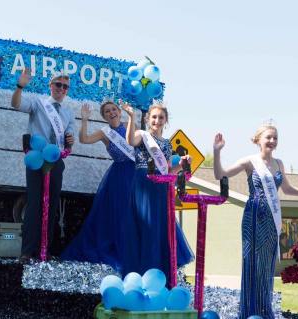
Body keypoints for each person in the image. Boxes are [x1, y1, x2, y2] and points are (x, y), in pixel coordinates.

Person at [212, 124, 298, 319]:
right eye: (268, 138)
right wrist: (216, 152)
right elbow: (219, 174)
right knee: (252, 263)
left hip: (272, 220)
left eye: (275, 138)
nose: (272, 141)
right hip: (254, 216)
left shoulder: (279, 163)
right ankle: (249, 311)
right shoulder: (249, 161)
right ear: (258, 140)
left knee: (266, 265)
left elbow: (289, 190)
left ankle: (264, 311)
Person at [60, 101, 136, 273]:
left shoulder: (130, 124)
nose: (112, 113)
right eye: (107, 111)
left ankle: (136, 250)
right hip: (118, 177)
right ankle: (122, 251)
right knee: (119, 214)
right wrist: (85, 120)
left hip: (135, 175)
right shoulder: (105, 133)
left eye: (114, 110)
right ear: (104, 116)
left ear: (119, 111)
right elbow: (84, 139)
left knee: (135, 214)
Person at [122, 101, 194, 282]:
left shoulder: (168, 144)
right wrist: (131, 117)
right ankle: (142, 275)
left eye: (161, 117)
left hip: (161, 189)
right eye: (154, 117)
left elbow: (170, 171)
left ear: (165, 120)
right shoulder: (141, 134)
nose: (157, 120)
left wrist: (183, 164)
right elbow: (130, 141)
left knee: (159, 229)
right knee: (145, 227)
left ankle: (158, 276)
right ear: (148, 119)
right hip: (143, 185)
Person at [11, 69, 75, 261]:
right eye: (58, 84)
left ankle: (44, 251)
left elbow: (69, 138)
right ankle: (27, 251)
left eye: (65, 87)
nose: (61, 89)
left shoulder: (68, 113)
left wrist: (70, 140)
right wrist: (19, 86)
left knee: (52, 204)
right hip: (37, 158)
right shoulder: (39, 103)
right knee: (34, 204)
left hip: (55, 161)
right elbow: (16, 104)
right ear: (51, 86)